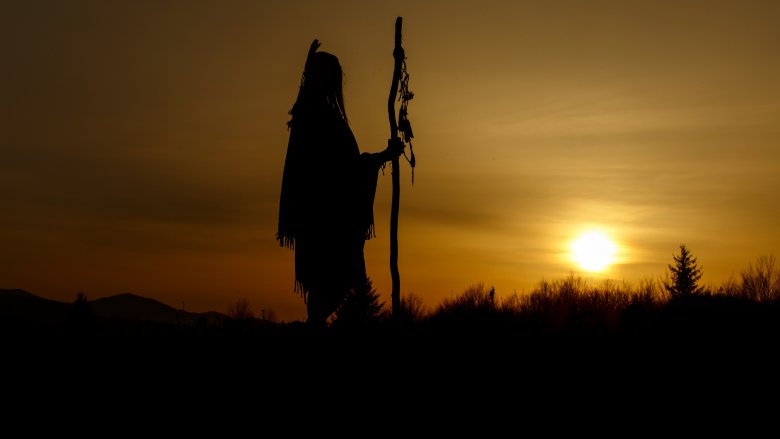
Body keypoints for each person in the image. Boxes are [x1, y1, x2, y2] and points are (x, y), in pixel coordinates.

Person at [276, 39, 404, 328]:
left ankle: (316, 325)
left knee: (330, 289)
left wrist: (377, 158)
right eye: (332, 77)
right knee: (333, 285)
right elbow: (338, 173)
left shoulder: (314, 116)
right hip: (327, 223)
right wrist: (382, 157)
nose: (336, 84)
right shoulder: (317, 118)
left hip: (323, 223)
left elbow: (342, 168)